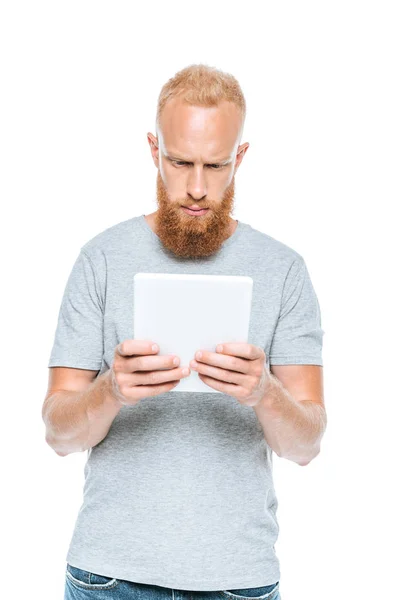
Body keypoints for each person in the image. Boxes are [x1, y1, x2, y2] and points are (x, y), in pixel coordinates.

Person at [43, 63, 327, 600]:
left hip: (237, 582)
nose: (197, 188)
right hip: (108, 579)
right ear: (154, 150)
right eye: (180, 162)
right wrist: (110, 390)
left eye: (216, 166)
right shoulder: (100, 260)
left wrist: (264, 393)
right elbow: (58, 434)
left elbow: (307, 443)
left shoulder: (284, 270)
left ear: (240, 157)